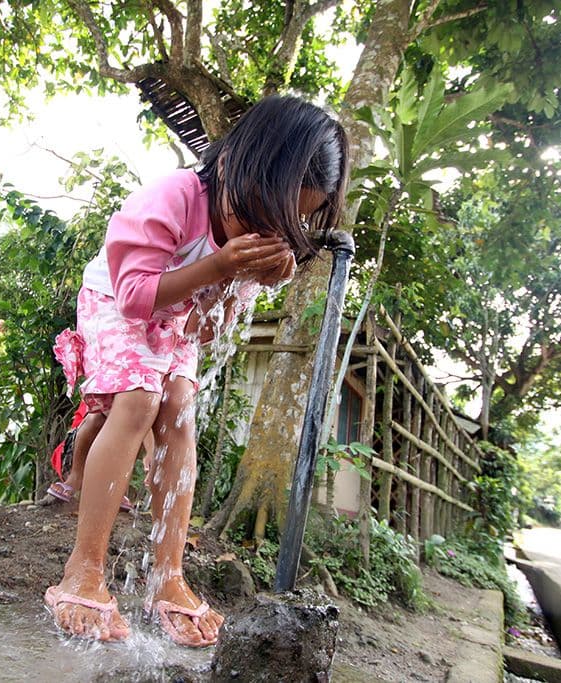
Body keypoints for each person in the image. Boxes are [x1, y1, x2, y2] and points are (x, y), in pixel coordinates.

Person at [45, 95, 348, 647]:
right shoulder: (173, 198)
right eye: (260, 213)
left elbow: (207, 324)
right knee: (138, 401)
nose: (267, 230)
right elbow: (136, 297)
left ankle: (168, 577)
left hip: (176, 314)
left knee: (179, 405)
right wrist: (218, 264)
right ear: (233, 165)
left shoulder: (252, 243)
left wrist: (248, 283)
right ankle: (84, 568)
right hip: (116, 297)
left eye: (286, 222)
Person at [44, 401, 152, 512]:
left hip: (109, 454)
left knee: (136, 429)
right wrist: (150, 450)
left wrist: (152, 457)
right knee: (98, 415)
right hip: (76, 455)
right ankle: (75, 479)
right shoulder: (113, 385)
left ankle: (116, 489)